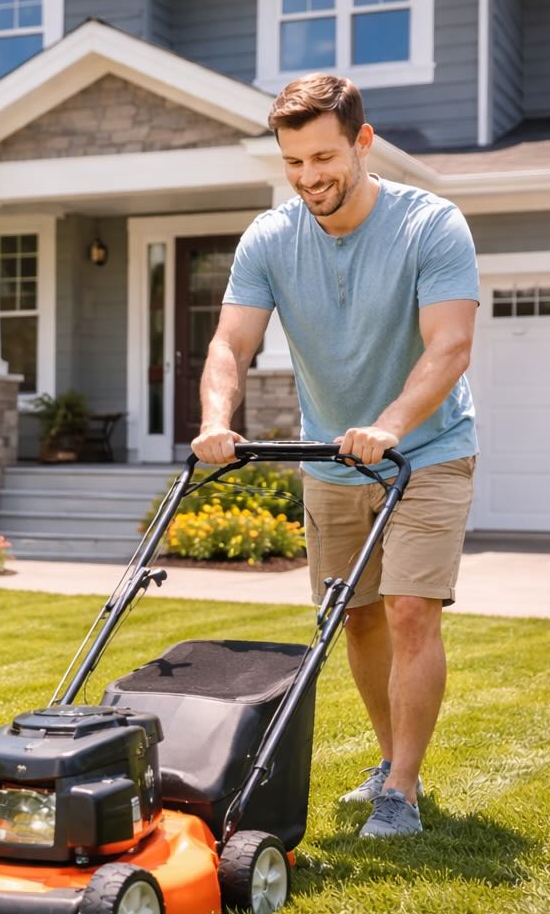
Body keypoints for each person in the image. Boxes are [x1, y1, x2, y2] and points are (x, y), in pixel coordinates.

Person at [191, 73, 479, 838]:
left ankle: (403, 793)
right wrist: (218, 419)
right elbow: (232, 341)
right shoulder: (271, 238)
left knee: (413, 612)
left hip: (428, 450)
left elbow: (450, 345)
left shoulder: (431, 224)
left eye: (323, 157)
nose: (309, 177)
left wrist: (388, 424)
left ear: (362, 141)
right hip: (331, 459)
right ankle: (391, 761)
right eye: (293, 162)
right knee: (356, 620)